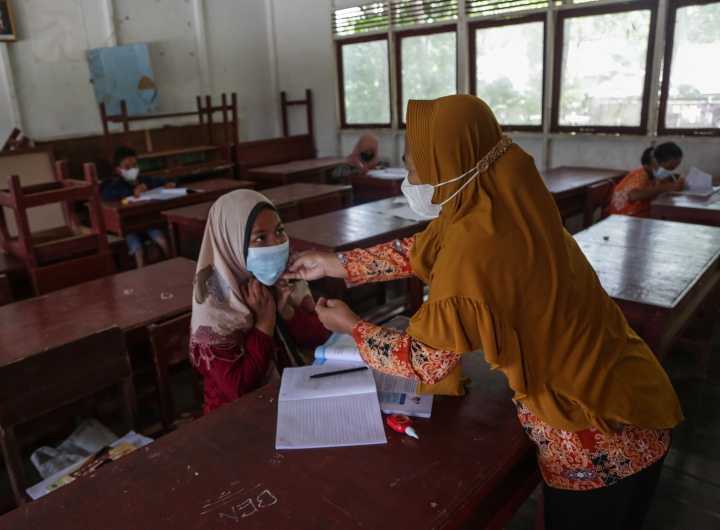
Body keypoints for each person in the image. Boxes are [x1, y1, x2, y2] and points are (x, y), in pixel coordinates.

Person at [286, 95, 682, 530]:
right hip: (632, 386)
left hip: (594, 430)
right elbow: (424, 247)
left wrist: (351, 326)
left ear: (449, 164)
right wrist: (337, 264)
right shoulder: (502, 192)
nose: (409, 178)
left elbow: (426, 361)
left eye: (414, 166)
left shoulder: (475, 253)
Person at [189, 190, 330, 415]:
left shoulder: (286, 278)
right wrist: (264, 325)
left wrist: (287, 313)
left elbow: (322, 338)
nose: (276, 245)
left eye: (279, 232)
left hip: (295, 396)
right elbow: (237, 390)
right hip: (237, 419)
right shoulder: (215, 304)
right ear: (231, 242)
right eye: (260, 238)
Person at [99, 146, 172, 268]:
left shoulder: (143, 180)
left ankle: (172, 265)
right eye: (127, 167)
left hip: (148, 221)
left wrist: (169, 184)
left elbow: (160, 181)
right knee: (137, 250)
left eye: (135, 165)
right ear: (118, 170)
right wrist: (132, 192)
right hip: (128, 226)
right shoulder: (113, 184)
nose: (132, 169)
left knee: (162, 240)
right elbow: (106, 194)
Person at [608, 142, 685, 217]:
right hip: (624, 217)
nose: (669, 171)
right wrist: (665, 187)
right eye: (669, 168)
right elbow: (633, 195)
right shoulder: (641, 174)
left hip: (639, 215)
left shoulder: (655, 177)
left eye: (674, 168)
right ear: (657, 162)